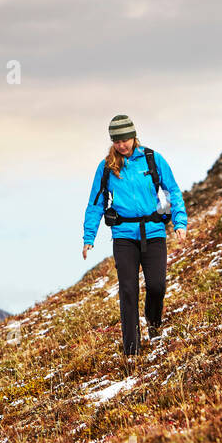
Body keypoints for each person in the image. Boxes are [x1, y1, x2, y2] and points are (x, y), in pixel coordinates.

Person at [82, 114, 188, 356]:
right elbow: (96, 204)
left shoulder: (152, 159)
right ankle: (132, 350)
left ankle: (154, 325)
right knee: (128, 290)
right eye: (117, 141)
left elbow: (172, 191)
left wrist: (179, 221)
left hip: (153, 231)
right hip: (124, 235)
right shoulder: (107, 167)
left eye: (126, 139)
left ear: (134, 136)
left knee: (157, 286)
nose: (122, 144)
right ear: (113, 142)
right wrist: (89, 238)